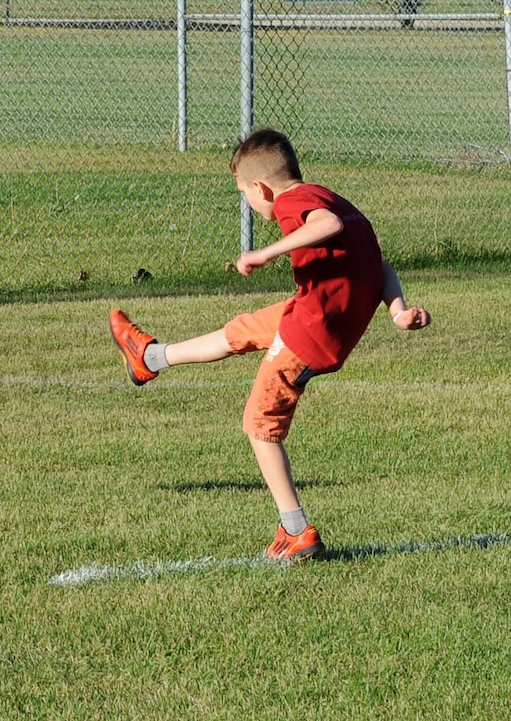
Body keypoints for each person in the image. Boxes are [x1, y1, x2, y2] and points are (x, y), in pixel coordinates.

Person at [109, 128, 431, 563]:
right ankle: (149, 357)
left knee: (259, 425)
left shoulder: (296, 204)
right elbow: (379, 263)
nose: (249, 202)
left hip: (311, 336)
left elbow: (325, 226)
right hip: (312, 311)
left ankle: (296, 530)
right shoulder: (331, 198)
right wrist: (398, 311)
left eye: (244, 194)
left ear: (261, 188)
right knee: (242, 330)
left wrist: (267, 253)